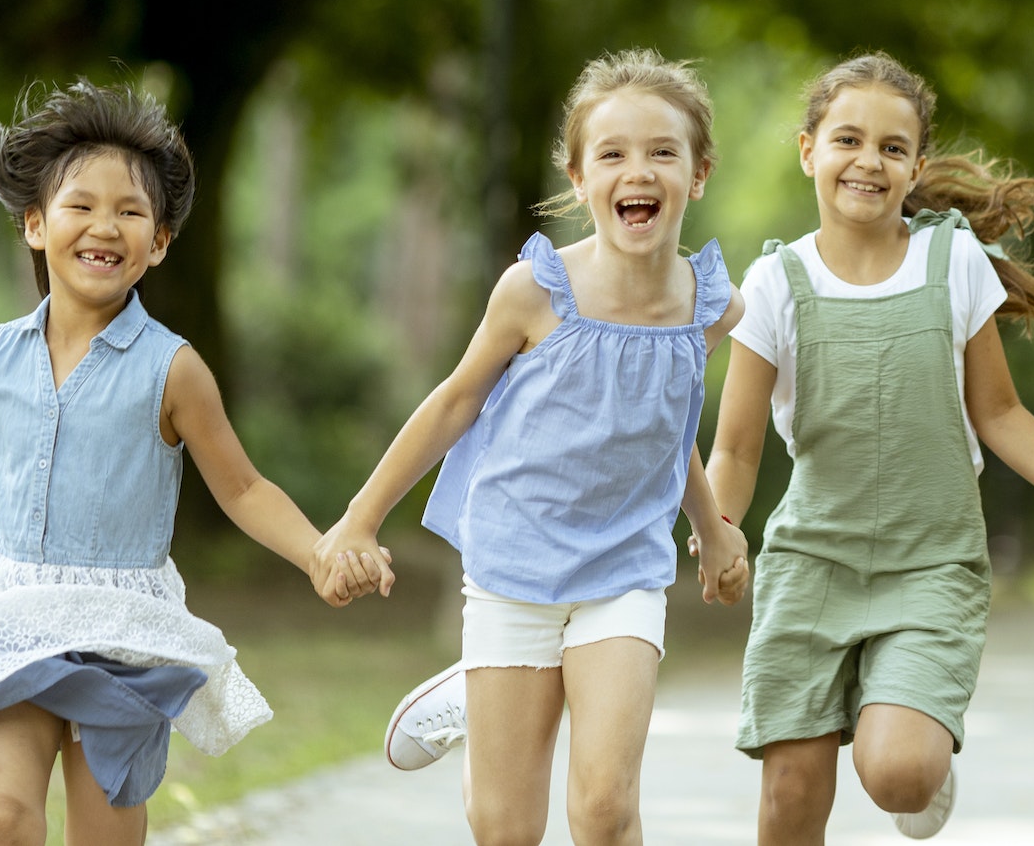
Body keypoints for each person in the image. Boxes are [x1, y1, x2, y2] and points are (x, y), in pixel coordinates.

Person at [0, 80, 361, 846]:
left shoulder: (173, 370)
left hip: (122, 628)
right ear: (35, 224)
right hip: (7, 611)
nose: (104, 225)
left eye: (130, 211)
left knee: (104, 834)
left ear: (159, 243)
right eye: (81, 205)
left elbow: (243, 487)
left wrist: (317, 551)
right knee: (5, 817)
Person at [703, 52, 1034, 844]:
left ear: (914, 166)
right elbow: (735, 450)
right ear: (809, 150)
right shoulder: (777, 280)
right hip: (812, 563)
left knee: (899, 771)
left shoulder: (955, 264)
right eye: (847, 138)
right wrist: (720, 532)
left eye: (891, 146)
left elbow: (1002, 412)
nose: (867, 160)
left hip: (930, 563)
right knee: (789, 799)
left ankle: (924, 756)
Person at [311, 49, 751, 846]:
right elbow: (452, 404)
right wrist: (358, 519)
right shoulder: (535, 290)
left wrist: (714, 527)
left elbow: (663, 425)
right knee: (505, 828)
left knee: (604, 810)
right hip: (516, 567)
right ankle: (479, 690)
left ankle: (500, 693)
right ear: (581, 180)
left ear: (699, 171)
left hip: (623, 569)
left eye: (662, 151)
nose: (638, 169)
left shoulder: (710, 306)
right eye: (612, 153)